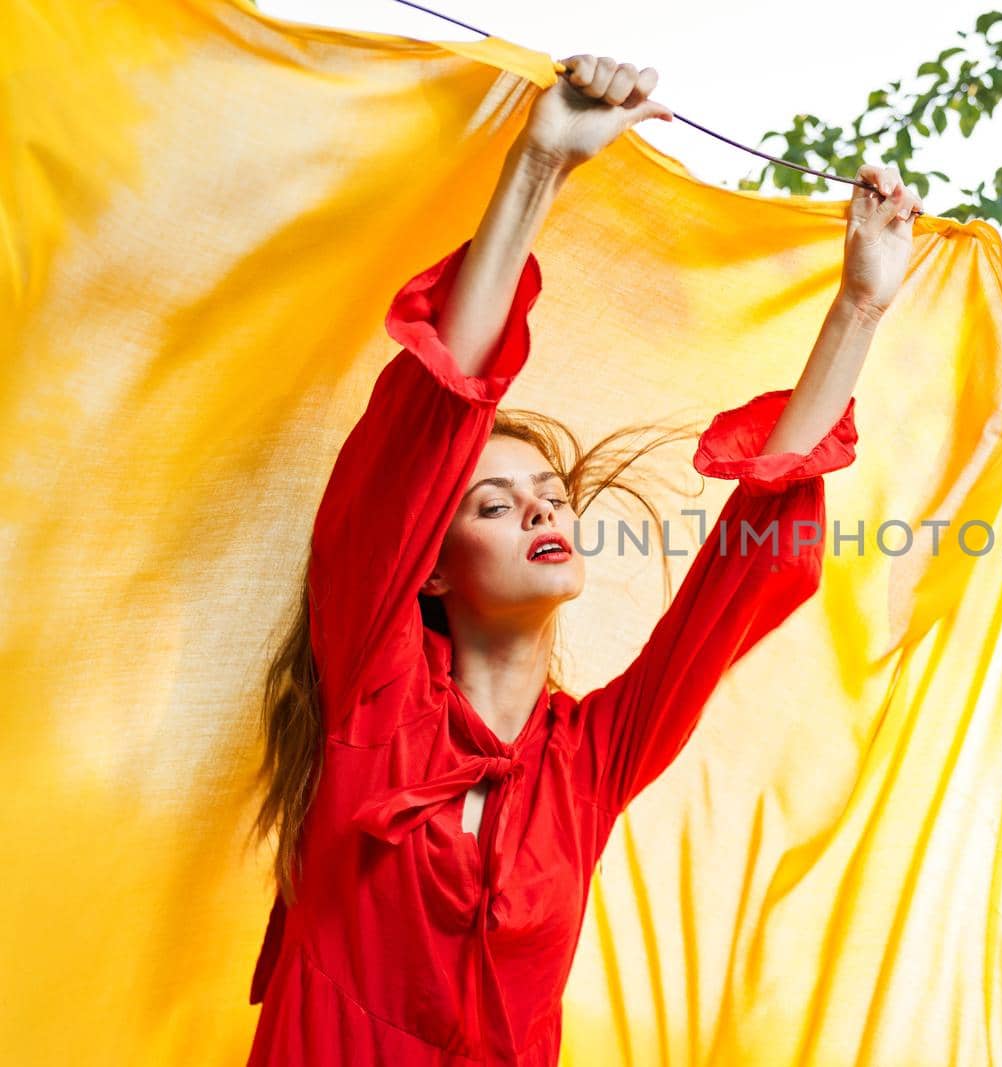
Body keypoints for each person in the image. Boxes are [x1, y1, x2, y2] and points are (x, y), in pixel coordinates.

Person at [247, 54, 924, 1065]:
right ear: (426, 567)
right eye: (491, 502)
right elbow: (433, 411)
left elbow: (737, 576)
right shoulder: (374, 693)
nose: (540, 510)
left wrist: (859, 308)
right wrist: (539, 163)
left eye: (548, 494)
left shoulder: (591, 760)